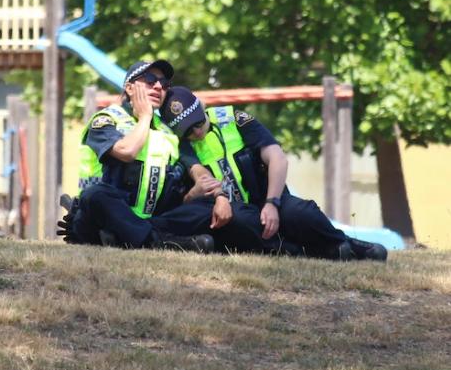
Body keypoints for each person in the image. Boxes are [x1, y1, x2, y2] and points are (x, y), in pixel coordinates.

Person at [160, 86, 388, 261]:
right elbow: (197, 179)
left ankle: (346, 244)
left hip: (268, 198)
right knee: (242, 222)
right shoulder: (180, 146)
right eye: (187, 130)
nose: (197, 132)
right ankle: (312, 252)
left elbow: (277, 157)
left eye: (198, 122)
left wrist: (272, 203)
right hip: (233, 212)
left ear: (202, 106)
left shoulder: (234, 120)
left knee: (301, 212)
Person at [57, 60, 234, 253]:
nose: (158, 86)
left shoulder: (168, 131)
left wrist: (219, 196)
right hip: (102, 217)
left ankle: (127, 238)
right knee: (96, 196)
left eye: (164, 84)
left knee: (205, 206)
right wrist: (144, 117)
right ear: (129, 88)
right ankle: (160, 243)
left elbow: (197, 170)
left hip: (151, 220)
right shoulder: (106, 119)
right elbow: (127, 151)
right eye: (150, 80)